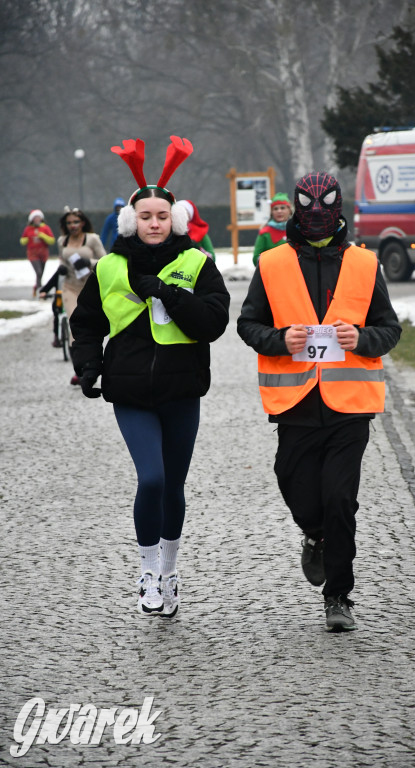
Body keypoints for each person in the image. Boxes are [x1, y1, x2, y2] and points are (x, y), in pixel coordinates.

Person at [70, 135, 230, 618]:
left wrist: (164, 291)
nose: (155, 223)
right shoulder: (109, 267)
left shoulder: (198, 262)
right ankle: (146, 572)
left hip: (182, 389)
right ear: (130, 221)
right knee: (153, 478)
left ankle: (171, 571)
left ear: (175, 219)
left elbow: (213, 323)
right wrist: (89, 366)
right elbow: (86, 324)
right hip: (132, 390)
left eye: (163, 216)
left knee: (175, 484)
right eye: (145, 216)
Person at [238, 172, 401, 632]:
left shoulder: (366, 264)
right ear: (295, 207)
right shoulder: (271, 263)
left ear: (339, 206)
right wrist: (277, 339)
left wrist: (362, 337)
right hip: (294, 403)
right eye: (306, 205)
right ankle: (315, 535)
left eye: (324, 204)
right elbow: (247, 325)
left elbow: (390, 329)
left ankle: (339, 597)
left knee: (339, 499)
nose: (315, 213)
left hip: (351, 405)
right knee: (296, 488)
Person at [57, 207, 105, 383]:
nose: (73, 226)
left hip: (90, 287)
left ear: (83, 222)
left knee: (90, 326)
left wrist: (89, 262)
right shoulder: (62, 240)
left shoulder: (92, 239)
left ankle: (93, 361)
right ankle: (79, 369)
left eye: (76, 222)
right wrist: (61, 267)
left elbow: (105, 262)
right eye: (69, 223)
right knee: (74, 325)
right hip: (70, 286)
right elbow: (62, 259)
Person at [19, 209, 55, 297]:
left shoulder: (45, 228)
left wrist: (43, 236)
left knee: (41, 272)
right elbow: (22, 240)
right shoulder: (28, 229)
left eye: (38, 217)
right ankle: (40, 290)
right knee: (38, 272)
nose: (37, 219)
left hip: (43, 253)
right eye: (35, 218)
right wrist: (28, 238)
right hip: (32, 254)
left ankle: (36, 287)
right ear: (32, 219)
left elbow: (52, 240)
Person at [252, 193, 293, 266]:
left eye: (283, 208)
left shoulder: (297, 230)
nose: (279, 211)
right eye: (275, 209)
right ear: (271, 212)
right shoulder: (265, 233)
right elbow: (256, 258)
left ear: (290, 210)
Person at [39, 264, 69, 347]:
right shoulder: (58, 273)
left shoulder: (74, 273)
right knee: (57, 315)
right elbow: (50, 283)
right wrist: (43, 291)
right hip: (59, 299)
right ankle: (57, 337)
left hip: (72, 298)